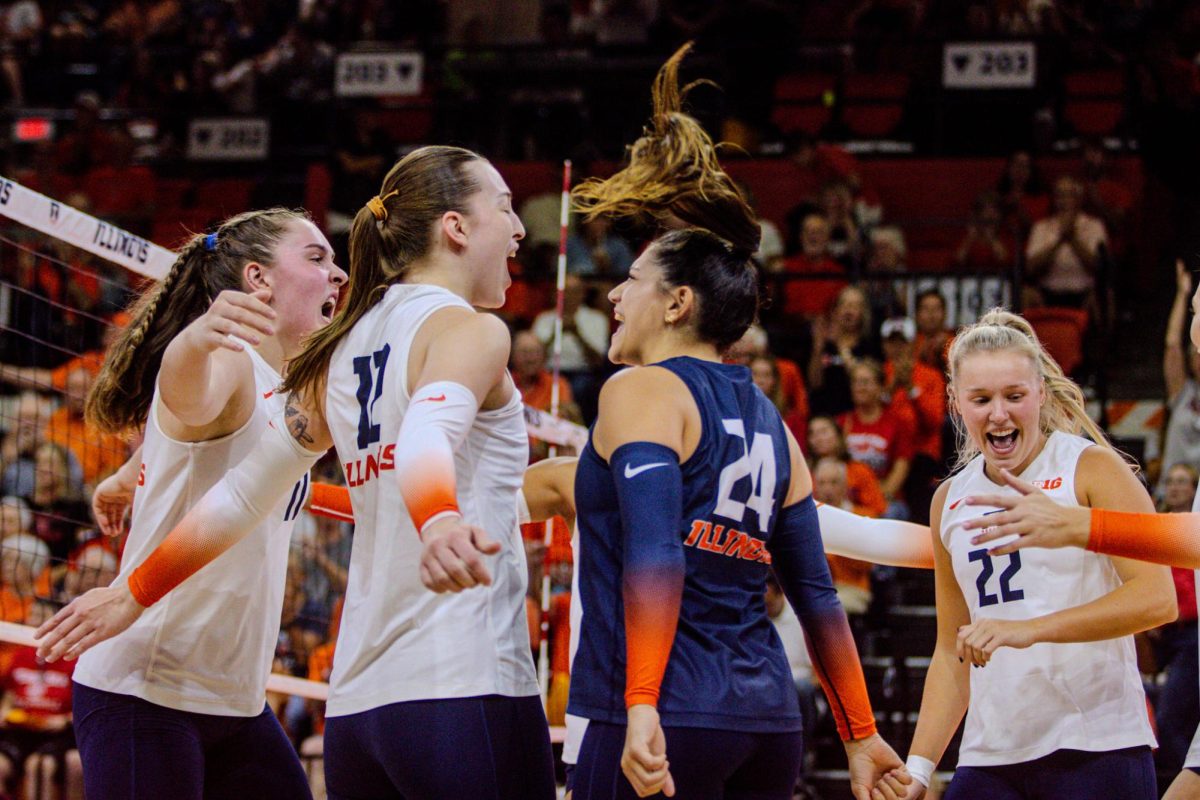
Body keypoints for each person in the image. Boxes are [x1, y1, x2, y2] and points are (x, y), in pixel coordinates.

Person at [37, 146, 557, 800]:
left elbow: (243, 491)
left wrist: (132, 582)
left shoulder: (332, 358)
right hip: (453, 676)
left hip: (343, 706)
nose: (517, 229)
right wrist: (440, 516)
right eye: (505, 208)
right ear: (455, 227)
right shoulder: (464, 330)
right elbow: (424, 437)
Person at [568, 227, 905, 800]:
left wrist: (643, 702)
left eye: (631, 281)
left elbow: (658, 552)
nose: (614, 297)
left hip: (667, 713)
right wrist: (860, 732)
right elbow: (817, 597)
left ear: (678, 303)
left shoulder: (642, 390)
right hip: (768, 722)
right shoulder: (773, 422)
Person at [38, 207, 347, 800]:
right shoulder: (228, 359)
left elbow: (210, 449)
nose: (337, 274)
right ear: (258, 279)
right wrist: (193, 343)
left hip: (235, 700)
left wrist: (131, 472)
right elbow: (190, 396)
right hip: (144, 690)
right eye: (316, 258)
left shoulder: (285, 395)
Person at [872, 309, 1176, 800]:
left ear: (1040, 392)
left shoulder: (1090, 468)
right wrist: (920, 770)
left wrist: (1027, 630)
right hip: (992, 754)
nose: (999, 414)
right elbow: (953, 651)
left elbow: (1157, 599)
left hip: (1096, 744)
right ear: (955, 401)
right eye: (981, 399)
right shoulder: (948, 500)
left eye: (1014, 396)